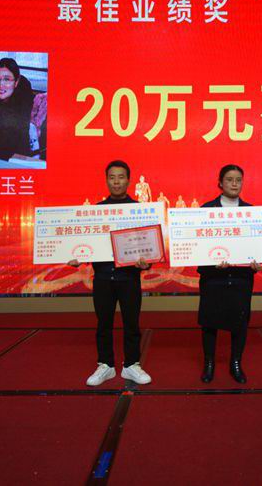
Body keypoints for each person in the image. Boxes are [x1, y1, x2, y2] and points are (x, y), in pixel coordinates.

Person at [69, 160, 153, 386]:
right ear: (106, 180)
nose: (116, 182)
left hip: (129, 278)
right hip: (103, 278)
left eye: (121, 177)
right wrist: (77, 255)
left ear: (128, 180)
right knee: (103, 323)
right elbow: (87, 244)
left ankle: (131, 365)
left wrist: (147, 263)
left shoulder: (139, 210)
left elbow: (148, 247)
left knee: (132, 323)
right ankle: (105, 365)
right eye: (112, 177)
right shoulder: (96, 212)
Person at [197, 165, 261, 384]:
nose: (234, 184)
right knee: (210, 322)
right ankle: (209, 363)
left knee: (240, 321)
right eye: (229, 179)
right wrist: (211, 261)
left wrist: (259, 261)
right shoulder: (206, 210)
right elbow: (198, 247)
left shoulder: (251, 212)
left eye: (238, 180)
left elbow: (258, 246)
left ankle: (236, 363)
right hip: (213, 278)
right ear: (220, 183)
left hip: (241, 278)